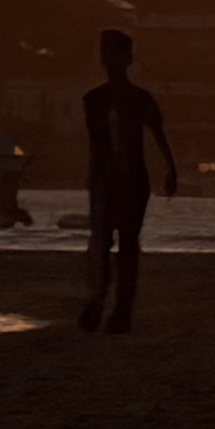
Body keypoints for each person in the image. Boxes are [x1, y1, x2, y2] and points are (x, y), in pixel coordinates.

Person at [78, 27, 178, 334]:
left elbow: (157, 135)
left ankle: (117, 308)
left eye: (115, 54)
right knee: (106, 243)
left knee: (121, 243)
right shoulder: (96, 100)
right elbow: (98, 145)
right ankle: (102, 302)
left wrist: (171, 169)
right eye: (108, 53)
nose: (111, 59)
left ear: (127, 58)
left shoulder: (135, 99)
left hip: (130, 181)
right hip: (109, 180)